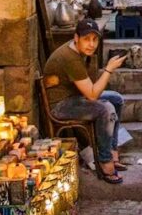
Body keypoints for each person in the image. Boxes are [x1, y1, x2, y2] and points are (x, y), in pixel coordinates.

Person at [43, 18, 128, 184]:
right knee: (105, 109)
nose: (91, 44)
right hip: (60, 105)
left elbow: (90, 89)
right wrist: (109, 69)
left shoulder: (80, 51)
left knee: (116, 99)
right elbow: (92, 94)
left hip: (74, 97)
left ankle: (112, 152)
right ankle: (105, 162)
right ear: (76, 38)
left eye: (95, 39)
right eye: (86, 39)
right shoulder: (70, 58)